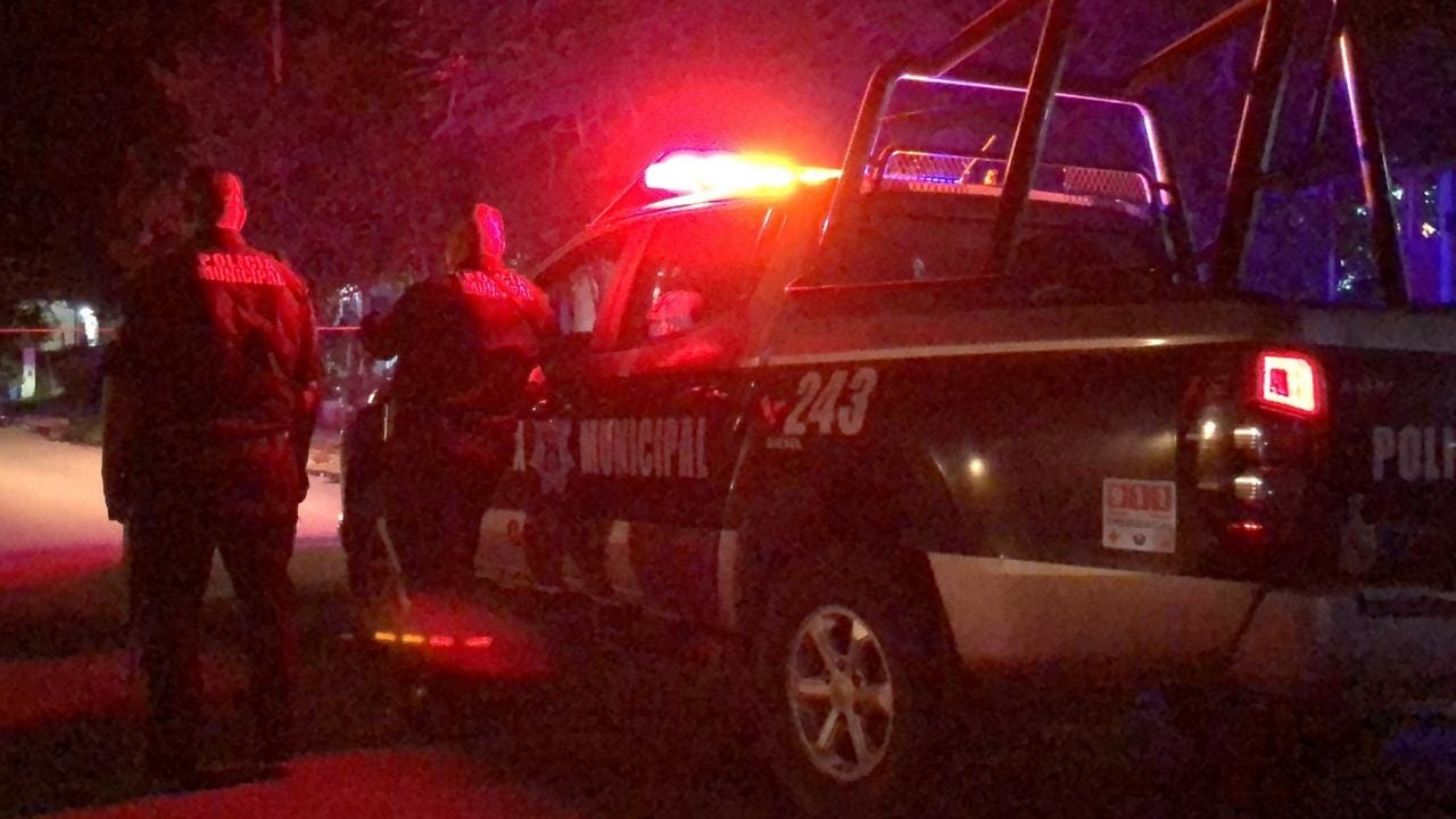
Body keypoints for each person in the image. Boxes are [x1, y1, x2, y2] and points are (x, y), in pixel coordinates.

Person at [104, 169, 320, 785]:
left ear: (188, 210)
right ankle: (276, 739)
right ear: (240, 210)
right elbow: (308, 387)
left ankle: (177, 751)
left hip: (180, 470)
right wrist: (295, 463)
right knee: (268, 606)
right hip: (264, 463)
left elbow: (130, 388)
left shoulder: (159, 280)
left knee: (173, 611)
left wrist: (118, 474)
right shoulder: (286, 281)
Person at [361, 203, 553, 594]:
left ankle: (435, 615)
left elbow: (382, 342)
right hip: (500, 447)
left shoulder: (434, 293)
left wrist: (368, 321)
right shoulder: (531, 297)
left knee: (423, 547)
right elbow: (555, 354)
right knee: (466, 544)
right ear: (500, 243)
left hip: (435, 448)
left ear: (460, 242)